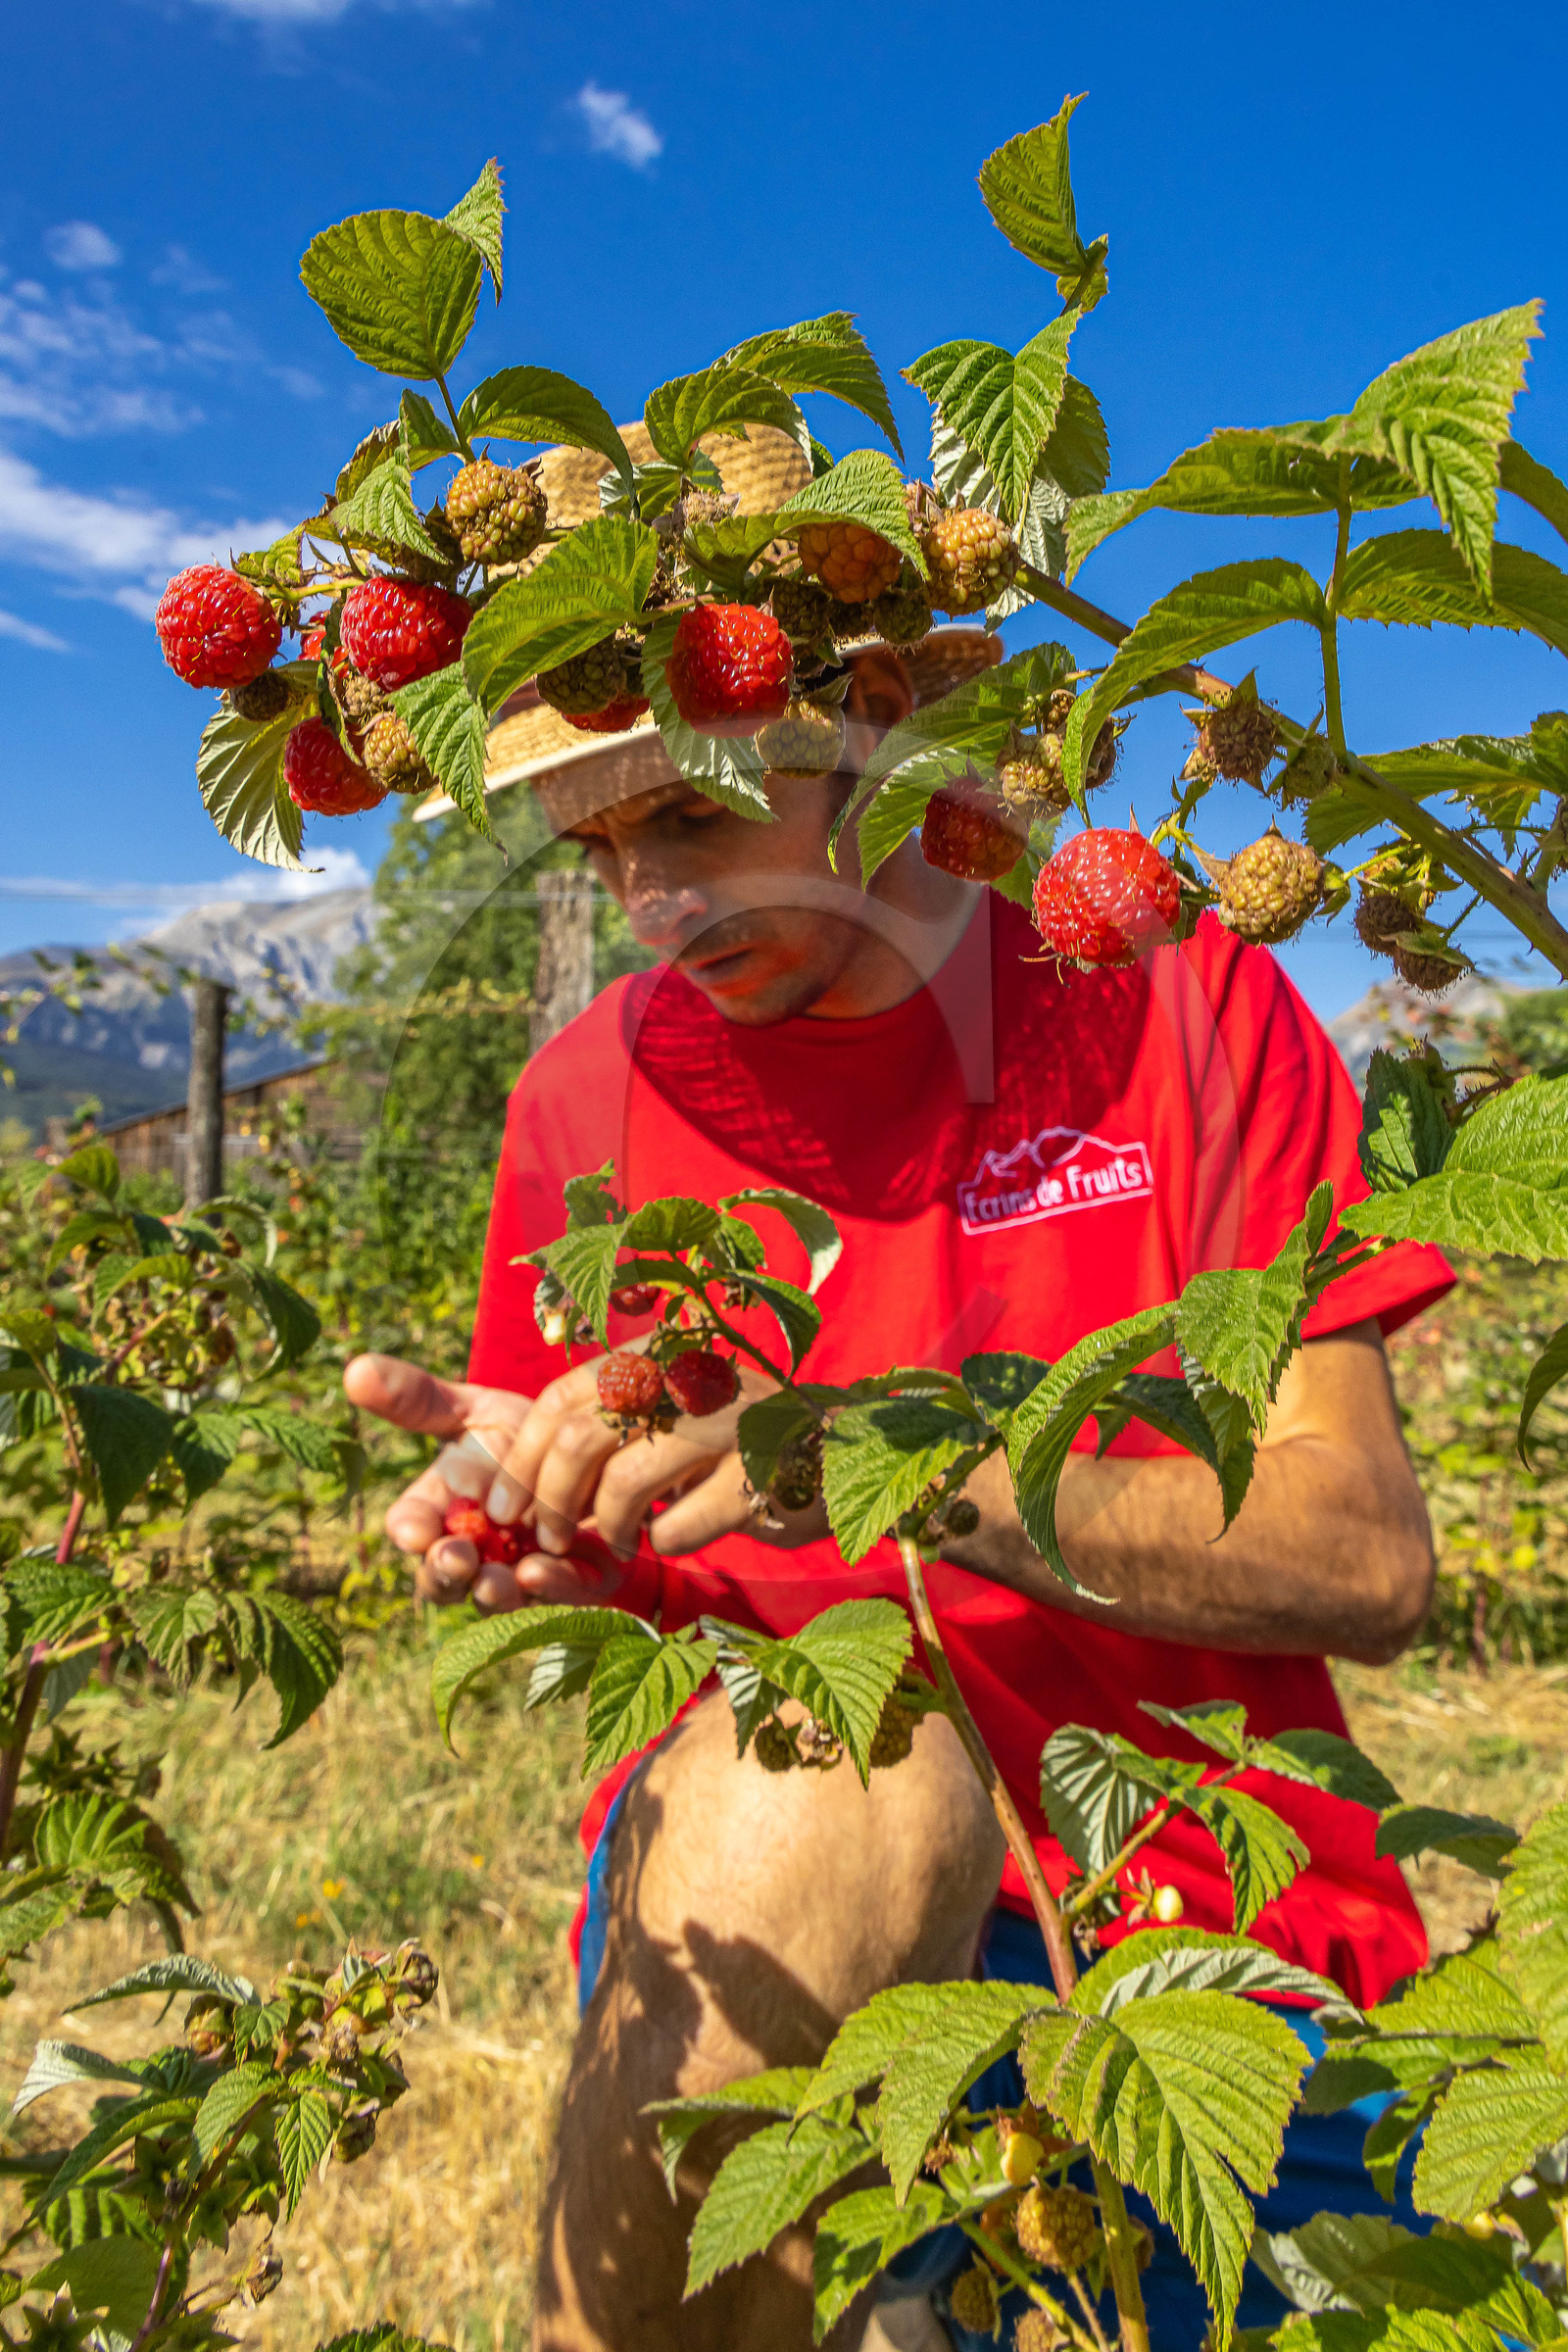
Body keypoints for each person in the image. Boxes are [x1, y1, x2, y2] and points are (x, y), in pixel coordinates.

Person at [345, 628, 1449, 2352]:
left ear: (866, 726)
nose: (649, 899)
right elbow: (668, 1567)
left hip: (1209, 1918)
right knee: (839, 1763)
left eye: (690, 817)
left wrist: (881, 1461)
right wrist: (554, 1528)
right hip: (791, 1912)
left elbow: (1366, 1558)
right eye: (595, 845)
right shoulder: (587, 1099)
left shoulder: (1180, 1003)